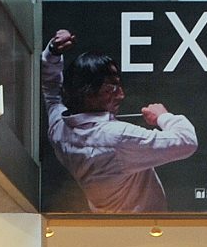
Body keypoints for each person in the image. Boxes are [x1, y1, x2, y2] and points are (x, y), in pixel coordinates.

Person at [42, 28, 197, 214]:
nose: (121, 95)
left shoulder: (59, 129)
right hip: (143, 227)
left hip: (109, 224)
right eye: (110, 88)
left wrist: (52, 52)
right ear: (87, 93)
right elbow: (187, 141)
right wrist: (163, 116)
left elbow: (51, 91)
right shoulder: (117, 137)